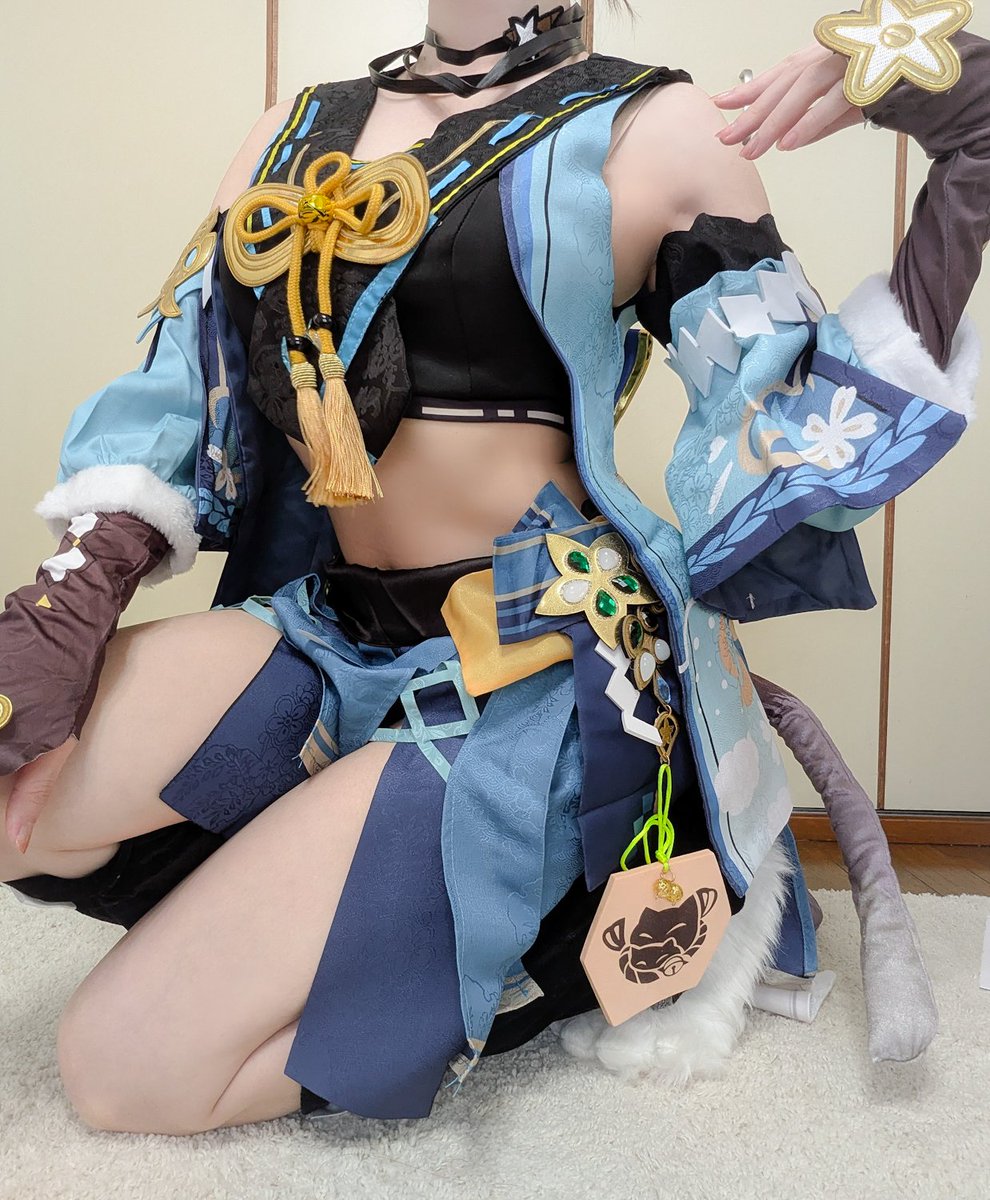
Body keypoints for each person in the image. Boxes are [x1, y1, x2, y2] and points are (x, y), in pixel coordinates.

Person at [1, 0, 986, 1134]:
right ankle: (349, 880)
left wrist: (968, 123)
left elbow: (790, 410)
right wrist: (71, 598)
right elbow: (189, 373)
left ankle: (558, 956)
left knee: (122, 1072)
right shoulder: (296, 128)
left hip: (530, 666)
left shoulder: (651, 125)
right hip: (330, 627)